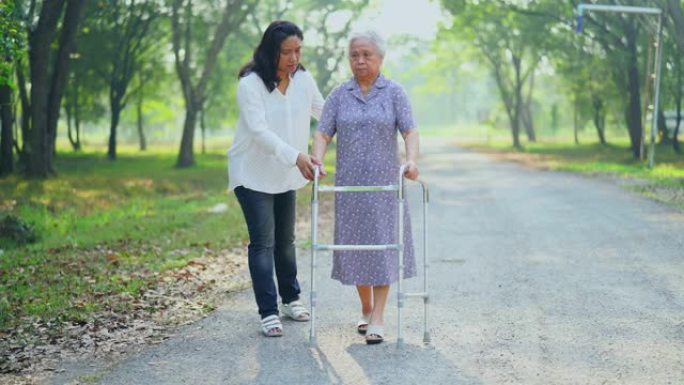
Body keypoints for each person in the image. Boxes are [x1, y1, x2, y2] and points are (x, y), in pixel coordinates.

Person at [312, 30, 420, 345]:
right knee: (357, 249)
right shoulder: (339, 94)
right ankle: (366, 307)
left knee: (384, 247)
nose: (360, 61)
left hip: (385, 186)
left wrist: (411, 161)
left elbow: (410, 131)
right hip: (350, 187)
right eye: (355, 55)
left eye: (366, 55)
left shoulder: (394, 92)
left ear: (381, 58)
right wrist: (317, 161)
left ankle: (379, 317)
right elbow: (322, 133)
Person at [228, 20, 324, 337]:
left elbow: (324, 111)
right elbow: (259, 132)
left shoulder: (303, 79)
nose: (294, 59)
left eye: (298, 51)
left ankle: (291, 298)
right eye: (287, 52)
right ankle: (268, 311)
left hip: (284, 173)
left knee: (286, 241)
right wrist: (297, 156)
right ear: (272, 51)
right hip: (252, 173)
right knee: (263, 242)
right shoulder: (250, 84)